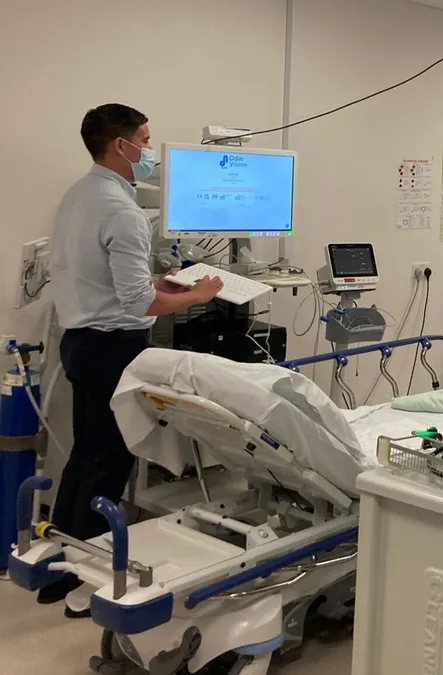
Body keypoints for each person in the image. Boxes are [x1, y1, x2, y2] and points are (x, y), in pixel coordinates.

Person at [43, 104, 223, 612]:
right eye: (145, 140)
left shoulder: (80, 195)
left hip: (80, 342)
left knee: (85, 456)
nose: (150, 150)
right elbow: (138, 303)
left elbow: (116, 280)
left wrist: (159, 283)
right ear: (120, 146)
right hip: (112, 348)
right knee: (109, 464)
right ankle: (89, 582)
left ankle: (59, 568)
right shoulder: (123, 211)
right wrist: (196, 295)